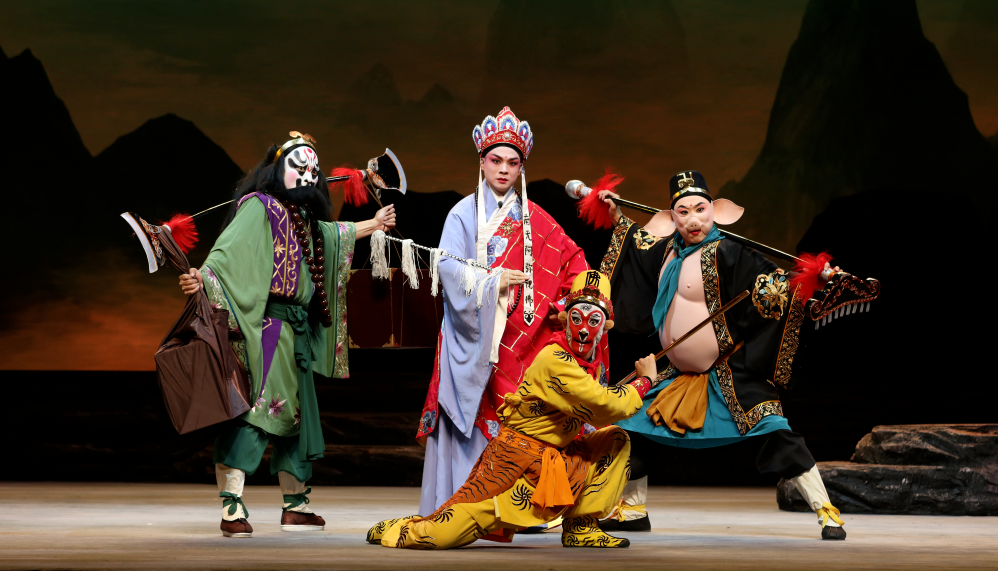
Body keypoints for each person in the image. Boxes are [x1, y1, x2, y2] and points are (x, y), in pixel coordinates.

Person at [595, 170, 847, 540]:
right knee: (632, 427)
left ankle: (827, 512)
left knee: (775, 431)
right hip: (675, 374)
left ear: (716, 211)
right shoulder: (664, 252)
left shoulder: (730, 253)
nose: (693, 220)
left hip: (727, 373)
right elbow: (636, 246)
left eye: (700, 209)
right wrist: (615, 214)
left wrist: (813, 279)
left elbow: (775, 286)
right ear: (670, 217)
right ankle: (632, 511)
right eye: (683, 212)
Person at [178, 132, 396, 538]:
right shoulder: (259, 206)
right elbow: (227, 254)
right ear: (278, 169)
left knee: (297, 418)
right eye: (299, 166)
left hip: (298, 332)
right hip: (267, 329)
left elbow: (333, 236)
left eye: (314, 168)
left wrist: (375, 223)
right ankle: (231, 506)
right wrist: (202, 278)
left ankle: (295, 507)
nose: (309, 174)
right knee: (256, 411)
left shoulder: (304, 218)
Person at [369, 271, 656, 549]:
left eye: (594, 321)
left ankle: (582, 528)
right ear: (565, 321)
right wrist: (645, 381)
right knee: (443, 533)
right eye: (576, 318)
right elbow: (604, 404)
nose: (583, 330)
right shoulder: (554, 360)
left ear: (605, 328)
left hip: (556, 460)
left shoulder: (587, 364)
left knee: (614, 440)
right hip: (515, 461)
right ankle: (401, 528)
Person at [416, 107, 594, 516]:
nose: (503, 169)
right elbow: (448, 268)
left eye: (513, 163)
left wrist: (565, 308)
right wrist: (493, 280)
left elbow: (574, 262)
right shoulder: (462, 213)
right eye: (496, 160)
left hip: (523, 343)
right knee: (469, 422)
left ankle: (513, 514)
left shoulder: (536, 219)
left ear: (521, 168)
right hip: (472, 337)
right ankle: (459, 507)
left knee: (522, 426)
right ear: (482, 162)